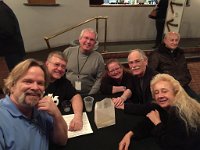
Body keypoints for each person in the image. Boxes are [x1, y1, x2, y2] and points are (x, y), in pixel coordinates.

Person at [118, 74, 200, 150]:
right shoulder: (165, 107)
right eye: (156, 92)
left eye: (164, 91)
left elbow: (169, 146)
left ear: (175, 92)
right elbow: (148, 122)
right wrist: (129, 134)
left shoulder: (178, 113)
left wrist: (157, 123)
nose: (160, 96)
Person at [0, 59, 68, 150]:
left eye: (40, 83)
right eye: (28, 81)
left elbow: (61, 141)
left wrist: (57, 114)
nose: (35, 87)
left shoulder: (40, 109)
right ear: (12, 85)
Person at [148, 31, 200, 100]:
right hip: (167, 88)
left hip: (183, 86)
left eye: (176, 40)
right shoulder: (156, 54)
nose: (175, 42)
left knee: (197, 101)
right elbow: (151, 72)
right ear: (165, 41)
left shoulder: (180, 53)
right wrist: (169, 83)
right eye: (172, 40)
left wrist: (187, 79)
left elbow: (185, 69)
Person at [45, 51, 83, 131]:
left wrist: (78, 117)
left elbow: (75, 96)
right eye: (56, 64)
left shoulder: (63, 81)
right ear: (47, 64)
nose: (60, 69)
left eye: (63, 66)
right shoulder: (37, 80)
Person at [63, 28, 105, 95]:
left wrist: (90, 95)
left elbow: (99, 79)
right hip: (67, 93)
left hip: (88, 94)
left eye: (92, 40)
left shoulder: (98, 58)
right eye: (86, 38)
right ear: (80, 39)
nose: (88, 42)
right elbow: (61, 72)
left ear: (95, 43)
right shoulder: (68, 52)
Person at [0, 0, 26, 70]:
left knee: (16, 75)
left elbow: (8, 31)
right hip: (9, 52)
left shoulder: (2, 10)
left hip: (12, 53)